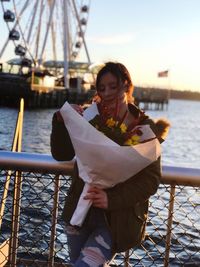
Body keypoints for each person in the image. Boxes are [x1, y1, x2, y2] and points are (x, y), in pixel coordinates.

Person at [50, 62, 169, 266]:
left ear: (127, 86)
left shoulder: (144, 128)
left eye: (113, 86)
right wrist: (61, 122)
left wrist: (110, 199)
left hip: (116, 221)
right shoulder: (89, 116)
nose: (107, 93)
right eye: (102, 88)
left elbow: (151, 180)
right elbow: (62, 154)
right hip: (80, 211)